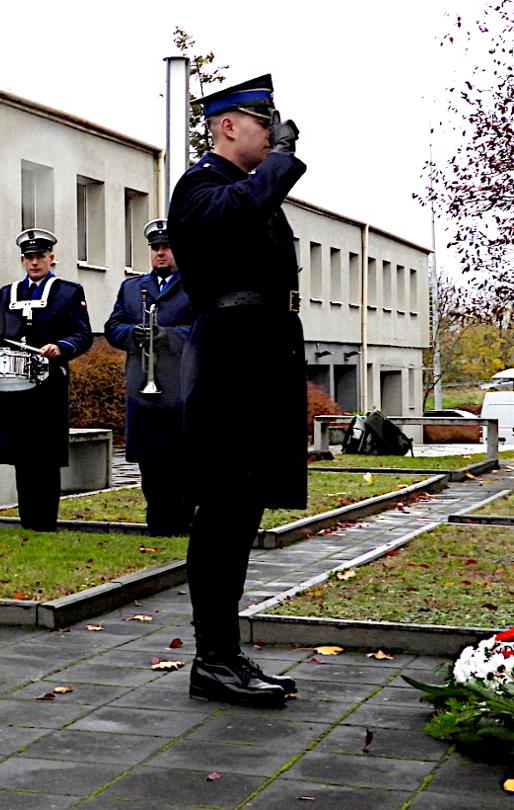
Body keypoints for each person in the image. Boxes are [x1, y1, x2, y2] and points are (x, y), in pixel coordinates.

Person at [167, 73, 307, 707]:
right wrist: (279, 162)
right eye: (262, 123)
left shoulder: (249, 192)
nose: (271, 133)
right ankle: (211, 659)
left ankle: (225, 652)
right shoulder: (200, 188)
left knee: (244, 508)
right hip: (230, 355)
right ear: (227, 126)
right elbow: (239, 212)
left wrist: (273, 166)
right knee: (224, 507)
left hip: (263, 350)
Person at [0, 228, 92, 531]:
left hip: (48, 386)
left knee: (45, 456)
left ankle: (46, 521)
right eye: (29, 257)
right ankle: (27, 520)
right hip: (13, 386)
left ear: (51, 258)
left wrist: (62, 347)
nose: (34, 262)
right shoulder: (8, 292)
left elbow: (82, 334)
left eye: (40, 256)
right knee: (21, 454)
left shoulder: (69, 292)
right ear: (22, 260)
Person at [104, 218, 195, 536]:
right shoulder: (132, 288)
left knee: (182, 457)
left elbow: (203, 327)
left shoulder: (194, 284)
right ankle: (157, 519)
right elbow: (112, 326)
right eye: (155, 248)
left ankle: (182, 520)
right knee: (150, 459)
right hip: (143, 385)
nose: (160, 253)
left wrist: (167, 335)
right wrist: (133, 333)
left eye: (167, 247)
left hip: (180, 384)